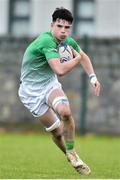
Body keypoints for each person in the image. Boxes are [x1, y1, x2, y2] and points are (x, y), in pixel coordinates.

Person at [18, 7, 100, 176]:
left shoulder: (68, 42)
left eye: (67, 27)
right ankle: (69, 154)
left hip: (49, 85)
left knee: (65, 111)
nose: (63, 31)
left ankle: (72, 154)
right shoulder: (46, 41)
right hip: (30, 92)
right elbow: (60, 70)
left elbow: (84, 56)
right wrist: (76, 59)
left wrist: (93, 78)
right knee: (56, 131)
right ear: (52, 25)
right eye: (59, 26)